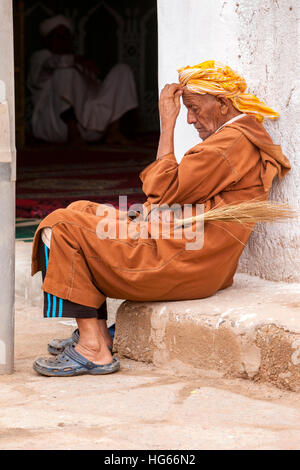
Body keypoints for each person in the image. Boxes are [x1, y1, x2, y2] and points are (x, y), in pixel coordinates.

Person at [31, 60, 291, 377]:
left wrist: (166, 125)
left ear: (222, 104)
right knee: (80, 211)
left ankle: (93, 349)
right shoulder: (238, 136)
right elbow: (173, 200)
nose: (190, 119)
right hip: (196, 260)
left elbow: (163, 192)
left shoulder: (230, 143)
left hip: (182, 260)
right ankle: (97, 334)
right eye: (185, 111)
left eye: (194, 109)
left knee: (60, 227)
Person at [27, 15, 138, 145]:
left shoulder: (78, 64)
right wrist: (76, 60)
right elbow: (55, 62)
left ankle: (113, 130)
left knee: (122, 70)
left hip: (90, 127)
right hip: (57, 126)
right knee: (65, 71)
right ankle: (72, 130)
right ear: (48, 40)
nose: (63, 40)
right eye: (59, 36)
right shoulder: (40, 58)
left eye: (66, 36)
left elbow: (95, 92)